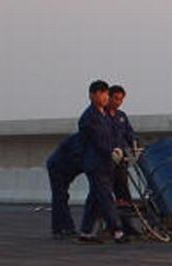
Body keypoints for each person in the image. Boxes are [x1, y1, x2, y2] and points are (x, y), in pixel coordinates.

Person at [78, 80, 128, 244]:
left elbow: (114, 136)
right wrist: (111, 151)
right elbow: (98, 140)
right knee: (106, 197)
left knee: (94, 198)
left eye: (107, 93)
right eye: (103, 94)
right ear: (93, 95)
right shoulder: (89, 117)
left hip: (107, 163)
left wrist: (120, 149)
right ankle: (117, 231)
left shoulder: (105, 115)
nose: (106, 97)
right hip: (95, 164)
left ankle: (85, 231)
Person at [106, 84, 140, 236]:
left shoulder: (121, 116)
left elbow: (130, 134)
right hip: (107, 162)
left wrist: (134, 148)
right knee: (104, 194)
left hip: (122, 162)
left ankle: (127, 226)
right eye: (116, 99)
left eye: (121, 99)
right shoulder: (102, 116)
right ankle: (109, 226)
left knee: (124, 195)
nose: (118, 102)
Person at [46, 132, 84, 239]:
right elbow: (78, 157)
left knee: (62, 196)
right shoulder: (82, 139)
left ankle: (65, 227)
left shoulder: (84, 138)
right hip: (58, 166)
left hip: (65, 166)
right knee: (60, 196)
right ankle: (59, 228)